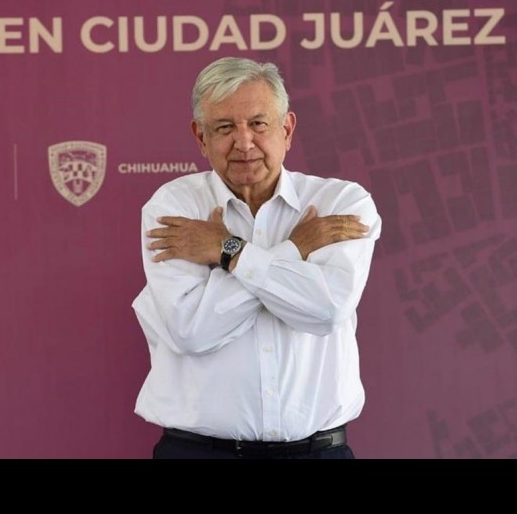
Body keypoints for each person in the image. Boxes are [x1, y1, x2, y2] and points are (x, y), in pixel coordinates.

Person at [132, 56, 382, 459]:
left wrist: (227, 252)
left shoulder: (341, 204)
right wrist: (294, 250)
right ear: (200, 137)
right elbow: (192, 329)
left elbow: (326, 310)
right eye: (224, 127)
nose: (244, 142)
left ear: (287, 129)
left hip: (318, 453)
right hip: (199, 453)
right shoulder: (174, 208)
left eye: (259, 123)